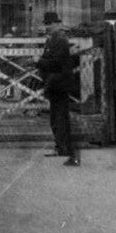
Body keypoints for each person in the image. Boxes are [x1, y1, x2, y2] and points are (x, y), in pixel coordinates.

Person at [36, 12, 79, 166]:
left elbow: (56, 63)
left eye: (49, 24)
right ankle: (61, 148)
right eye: (46, 24)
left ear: (57, 24)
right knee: (56, 118)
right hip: (54, 83)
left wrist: (38, 61)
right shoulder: (52, 39)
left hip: (59, 83)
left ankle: (65, 149)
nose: (47, 26)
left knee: (60, 118)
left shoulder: (59, 40)